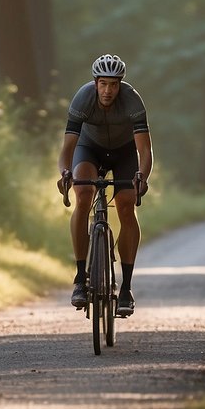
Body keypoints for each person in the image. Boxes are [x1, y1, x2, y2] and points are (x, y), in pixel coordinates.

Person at [57, 54, 153, 315]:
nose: (108, 90)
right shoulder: (82, 99)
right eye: (103, 84)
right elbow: (68, 146)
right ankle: (80, 278)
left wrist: (141, 177)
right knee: (84, 195)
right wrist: (65, 171)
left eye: (113, 84)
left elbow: (144, 149)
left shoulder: (132, 100)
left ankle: (126, 288)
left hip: (124, 153)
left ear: (120, 84)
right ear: (95, 83)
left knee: (125, 205)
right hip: (89, 149)